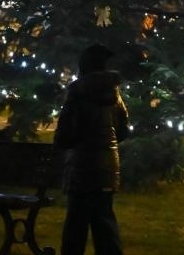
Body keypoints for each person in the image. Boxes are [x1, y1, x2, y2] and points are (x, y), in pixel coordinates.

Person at [54, 43, 129, 255]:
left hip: (81, 169)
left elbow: (64, 135)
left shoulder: (77, 93)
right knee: (105, 224)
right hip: (107, 170)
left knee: (75, 227)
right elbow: (123, 130)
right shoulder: (114, 94)